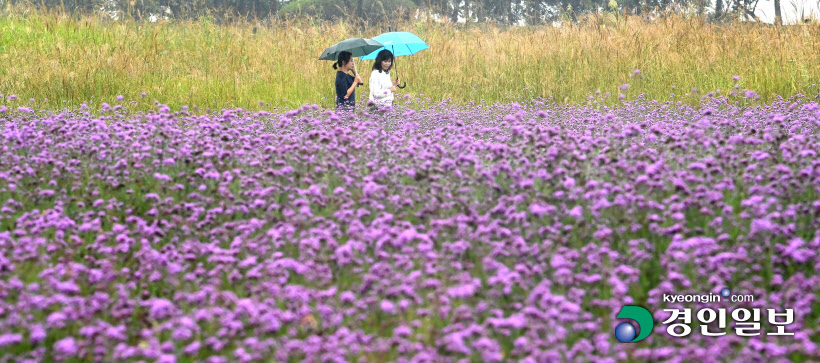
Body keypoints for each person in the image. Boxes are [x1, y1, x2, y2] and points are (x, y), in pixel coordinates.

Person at [368, 49, 401, 114]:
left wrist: (395, 85)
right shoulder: (376, 74)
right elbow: (376, 94)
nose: (387, 64)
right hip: (378, 108)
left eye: (389, 61)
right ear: (380, 61)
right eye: (385, 61)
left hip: (387, 107)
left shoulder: (386, 73)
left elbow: (386, 89)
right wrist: (390, 90)